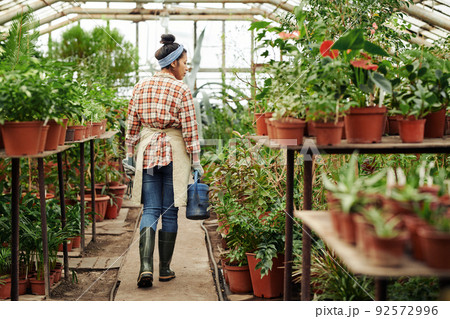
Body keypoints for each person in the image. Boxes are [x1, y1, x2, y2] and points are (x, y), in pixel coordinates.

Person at [125, 34, 203, 288]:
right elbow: (190, 130)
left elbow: (132, 124)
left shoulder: (140, 86)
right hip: (174, 152)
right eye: (184, 62)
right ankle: (165, 268)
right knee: (170, 212)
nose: (186, 66)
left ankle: (145, 267)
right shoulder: (181, 89)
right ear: (173, 64)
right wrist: (197, 161)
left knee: (149, 210)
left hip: (147, 151)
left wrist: (129, 154)